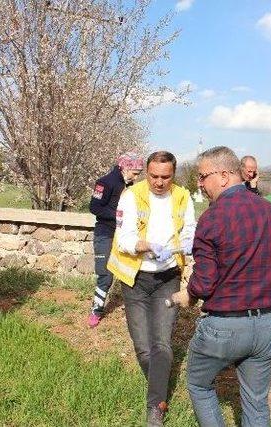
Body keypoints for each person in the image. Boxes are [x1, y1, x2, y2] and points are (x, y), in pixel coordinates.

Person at [186, 146, 271, 427]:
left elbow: (204, 282)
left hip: (226, 326)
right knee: (256, 403)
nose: (199, 183)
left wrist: (187, 294)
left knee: (199, 385)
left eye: (202, 176)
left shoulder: (212, 218)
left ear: (223, 176)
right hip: (270, 323)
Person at [106, 151, 196, 426]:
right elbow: (124, 238)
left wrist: (184, 244)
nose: (159, 182)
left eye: (165, 177)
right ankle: (159, 382)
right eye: (154, 176)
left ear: (174, 174)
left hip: (167, 278)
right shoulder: (131, 196)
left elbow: (190, 230)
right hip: (135, 279)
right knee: (143, 347)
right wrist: (147, 246)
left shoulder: (183, 196)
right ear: (146, 172)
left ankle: (156, 406)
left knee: (162, 343)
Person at [87, 152, 144, 328]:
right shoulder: (105, 182)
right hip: (105, 234)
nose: (136, 177)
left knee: (131, 271)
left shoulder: (131, 185)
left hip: (124, 235)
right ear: (125, 167)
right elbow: (94, 207)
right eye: (134, 173)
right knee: (105, 274)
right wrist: (120, 217)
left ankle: (135, 310)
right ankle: (96, 310)